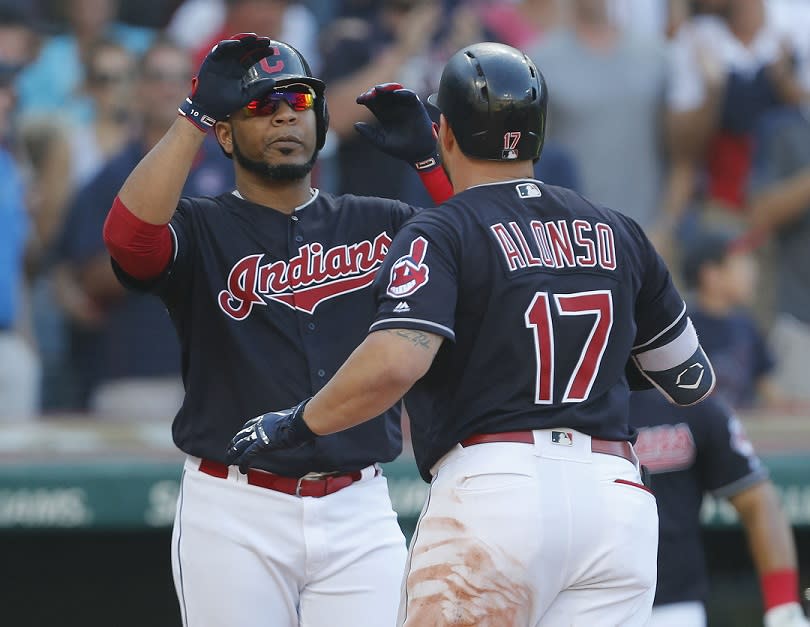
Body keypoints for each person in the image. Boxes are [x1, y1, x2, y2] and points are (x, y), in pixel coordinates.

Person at [227, 41, 717, 626]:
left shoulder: (440, 229)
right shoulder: (621, 230)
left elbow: (395, 363)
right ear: (537, 131)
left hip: (496, 492)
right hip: (615, 500)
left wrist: (297, 420)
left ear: (447, 133)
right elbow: (690, 380)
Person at [102, 33, 451, 626]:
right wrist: (193, 117)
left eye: (299, 102)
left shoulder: (385, 221)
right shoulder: (199, 225)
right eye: (262, 105)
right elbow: (129, 240)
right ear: (226, 132)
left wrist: (433, 164)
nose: (286, 114)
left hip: (357, 505)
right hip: (234, 506)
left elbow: (491, 255)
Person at [57, 37, 231, 417]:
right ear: (137, 89)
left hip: (225, 370)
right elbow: (86, 277)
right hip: (138, 369)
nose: (168, 88)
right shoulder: (112, 175)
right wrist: (161, 252)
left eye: (179, 78)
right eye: (156, 77)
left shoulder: (230, 164)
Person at [630, 389, 810, 627]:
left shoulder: (684, 397)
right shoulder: (569, 401)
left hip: (671, 606)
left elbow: (757, 498)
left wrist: (783, 607)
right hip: (576, 597)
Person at [681, 227, 785, 409]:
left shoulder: (746, 325)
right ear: (711, 276)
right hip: (700, 430)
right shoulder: (683, 328)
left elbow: (768, 388)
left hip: (741, 428)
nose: (752, 273)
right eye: (741, 265)